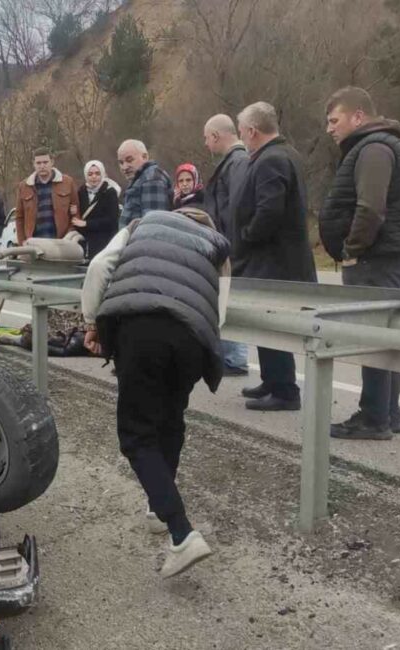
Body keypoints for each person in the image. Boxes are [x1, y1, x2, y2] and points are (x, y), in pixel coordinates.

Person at [81, 204, 231, 579]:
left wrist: (91, 321)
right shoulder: (218, 246)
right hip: (193, 337)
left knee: (136, 435)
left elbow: (100, 267)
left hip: (142, 327)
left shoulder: (141, 224)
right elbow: (220, 313)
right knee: (169, 420)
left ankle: (181, 533)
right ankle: (156, 505)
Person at [321, 87, 400, 440]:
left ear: (358, 116)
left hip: (376, 256)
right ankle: (388, 413)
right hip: (382, 253)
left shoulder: (374, 149)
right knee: (380, 333)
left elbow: (370, 208)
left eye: (334, 120)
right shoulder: (373, 146)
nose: (329, 129)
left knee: (371, 334)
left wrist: (352, 248)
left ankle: (374, 416)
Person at [232, 101, 318, 411]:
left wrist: (246, 235)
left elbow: (269, 210)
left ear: (253, 131)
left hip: (272, 261)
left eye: (242, 132)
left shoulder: (272, 160)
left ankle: (284, 390)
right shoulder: (284, 154)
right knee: (264, 324)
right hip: (273, 260)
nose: (241, 138)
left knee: (270, 323)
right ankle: (272, 380)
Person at [203, 114, 252, 377]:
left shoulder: (237, 162)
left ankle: (235, 357)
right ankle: (230, 356)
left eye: (206, 138)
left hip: (231, 246)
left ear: (216, 136)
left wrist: (230, 245)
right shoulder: (233, 162)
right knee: (223, 300)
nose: (205, 144)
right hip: (226, 244)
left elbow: (237, 208)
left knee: (229, 300)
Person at [15, 147, 80, 242]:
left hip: (61, 242)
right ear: (33, 164)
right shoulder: (24, 186)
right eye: (38, 163)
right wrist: (22, 243)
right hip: (34, 243)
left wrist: (69, 237)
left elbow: (76, 213)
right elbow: (19, 217)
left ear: (52, 162)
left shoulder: (67, 182)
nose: (42, 166)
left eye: (45, 162)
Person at [117, 139, 173, 228]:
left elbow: (153, 226)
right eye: (121, 162)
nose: (124, 167)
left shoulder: (151, 180)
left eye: (129, 160)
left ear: (145, 157)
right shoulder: (142, 178)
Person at [73, 159, 121, 259]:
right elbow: (78, 217)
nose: (94, 177)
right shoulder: (81, 191)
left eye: (97, 173)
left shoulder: (110, 192)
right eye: (90, 174)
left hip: (104, 242)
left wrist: (87, 224)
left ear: (103, 174)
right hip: (85, 243)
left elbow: (112, 220)